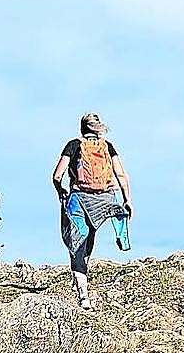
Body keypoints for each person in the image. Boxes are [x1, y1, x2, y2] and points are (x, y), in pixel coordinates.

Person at [53, 112, 133, 309]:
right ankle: (83, 277)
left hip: (79, 199)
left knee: (77, 242)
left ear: (82, 129)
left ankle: (83, 293)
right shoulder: (107, 146)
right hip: (104, 200)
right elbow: (121, 175)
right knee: (89, 237)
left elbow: (57, 175)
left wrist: (60, 190)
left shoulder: (74, 145)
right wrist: (127, 199)